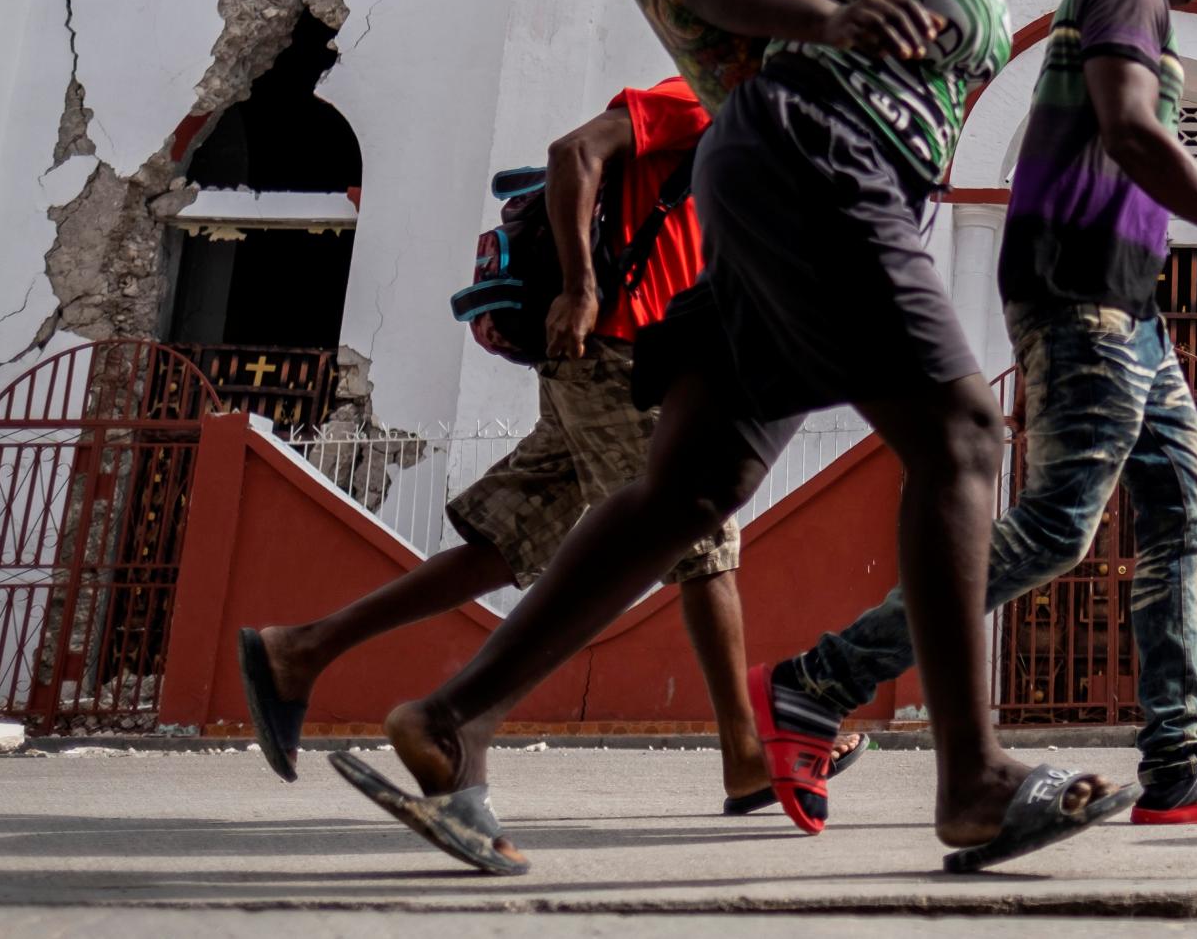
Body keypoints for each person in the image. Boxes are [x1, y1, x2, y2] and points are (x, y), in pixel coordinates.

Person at [330, 0, 1122, 876]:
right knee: (961, 436)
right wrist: (832, 13)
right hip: (814, 155)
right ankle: (973, 779)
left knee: (689, 489)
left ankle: (451, 716)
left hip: (832, 177)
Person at [761, 0, 1197, 831]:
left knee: (1187, 503)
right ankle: (815, 683)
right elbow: (1133, 131)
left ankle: (1180, 762)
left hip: (1130, 310)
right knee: (1059, 525)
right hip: (1081, 295)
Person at [237, 81, 857, 810]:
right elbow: (573, 152)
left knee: (505, 544)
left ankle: (299, 649)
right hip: (619, 351)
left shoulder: (756, 137)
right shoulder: (698, 98)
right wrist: (579, 287)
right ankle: (744, 753)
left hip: (614, 359)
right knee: (701, 531)